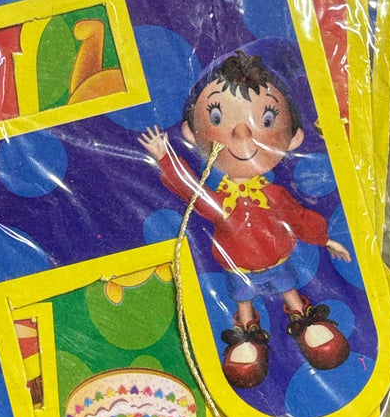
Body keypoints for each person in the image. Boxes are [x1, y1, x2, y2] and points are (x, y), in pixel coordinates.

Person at [138, 46, 352, 389]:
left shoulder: (272, 196)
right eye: (218, 118)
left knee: (289, 291)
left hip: (277, 260)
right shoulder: (222, 202)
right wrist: (165, 157)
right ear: (191, 133)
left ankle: (303, 318)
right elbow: (192, 192)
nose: (242, 134)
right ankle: (247, 333)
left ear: (294, 137)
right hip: (238, 267)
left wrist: (325, 239)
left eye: (266, 120)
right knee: (243, 300)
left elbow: (298, 217)